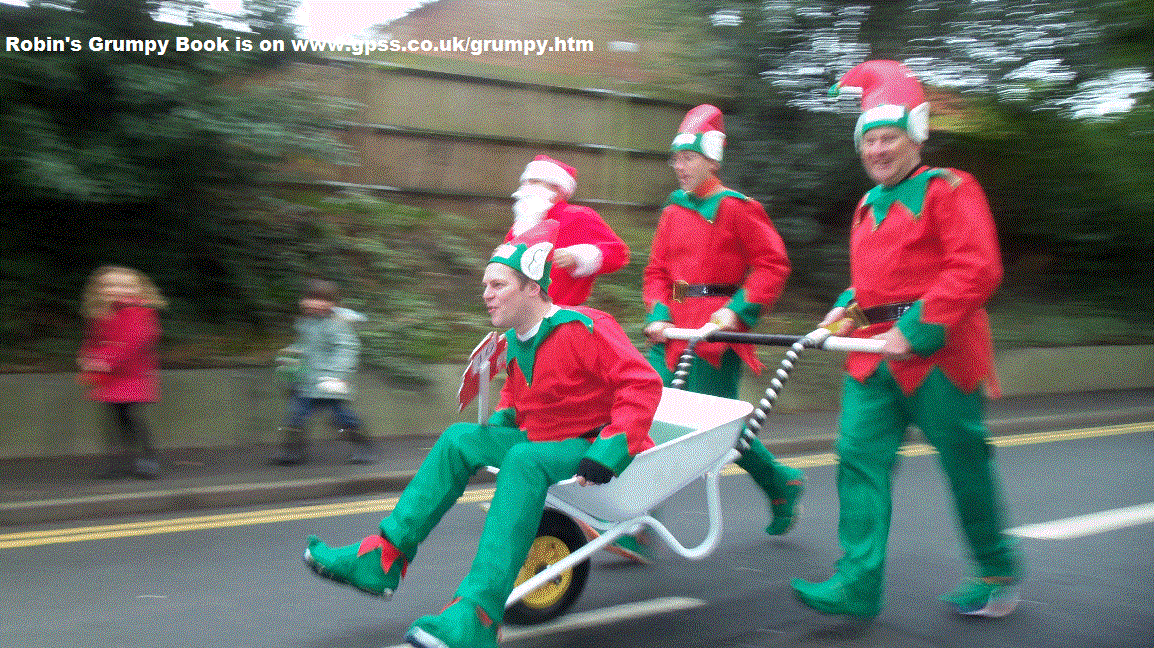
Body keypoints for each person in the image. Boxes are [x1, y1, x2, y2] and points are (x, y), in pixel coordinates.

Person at [303, 221, 662, 648]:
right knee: (460, 439)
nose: (486, 293)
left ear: (532, 287)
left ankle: (478, 614)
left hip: (590, 443)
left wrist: (612, 447)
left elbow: (641, 383)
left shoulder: (585, 326)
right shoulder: (514, 340)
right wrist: (501, 424)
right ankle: (384, 556)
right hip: (541, 440)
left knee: (523, 461)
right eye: (485, 284)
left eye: (498, 284)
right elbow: (516, 397)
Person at [790, 60, 1023, 619]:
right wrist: (842, 312)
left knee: (965, 463)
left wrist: (913, 329)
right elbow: (873, 283)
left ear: (915, 135)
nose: (878, 149)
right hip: (875, 359)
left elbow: (976, 268)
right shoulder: (866, 206)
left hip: (944, 356)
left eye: (889, 137)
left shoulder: (951, 189)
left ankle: (996, 573)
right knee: (857, 459)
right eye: (869, 140)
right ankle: (857, 584)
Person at [642, 104, 805, 542]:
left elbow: (772, 265)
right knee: (643, 414)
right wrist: (658, 312)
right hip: (671, 334)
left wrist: (734, 312)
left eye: (688, 158)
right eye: (675, 158)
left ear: (712, 159)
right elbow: (656, 273)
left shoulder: (737, 208)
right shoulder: (672, 211)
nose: (679, 167)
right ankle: (635, 521)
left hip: (715, 340)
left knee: (714, 435)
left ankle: (780, 483)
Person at [270, 278, 375, 465]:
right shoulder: (305, 323)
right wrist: (289, 357)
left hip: (330, 383)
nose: (318, 303)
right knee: (295, 415)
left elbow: (347, 349)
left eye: (324, 300)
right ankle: (293, 452)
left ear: (332, 304)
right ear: (304, 300)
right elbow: (302, 347)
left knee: (343, 417)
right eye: (313, 298)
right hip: (307, 383)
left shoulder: (337, 324)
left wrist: (336, 374)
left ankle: (364, 447)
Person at [77, 265, 166, 480]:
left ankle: (148, 459)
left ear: (137, 289)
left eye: (124, 285)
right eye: (109, 285)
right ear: (99, 289)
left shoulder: (140, 312)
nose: (116, 288)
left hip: (133, 375)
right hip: (112, 377)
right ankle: (121, 462)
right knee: (115, 419)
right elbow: (92, 341)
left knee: (133, 417)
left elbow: (134, 343)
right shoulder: (101, 313)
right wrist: (86, 357)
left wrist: (102, 361)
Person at [506, 154, 629, 307]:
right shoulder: (523, 222)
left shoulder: (580, 216)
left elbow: (618, 253)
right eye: (526, 182)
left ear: (558, 189)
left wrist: (578, 257)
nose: (526, 188)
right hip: (520, 314)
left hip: (562, 314)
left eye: (535, 182)